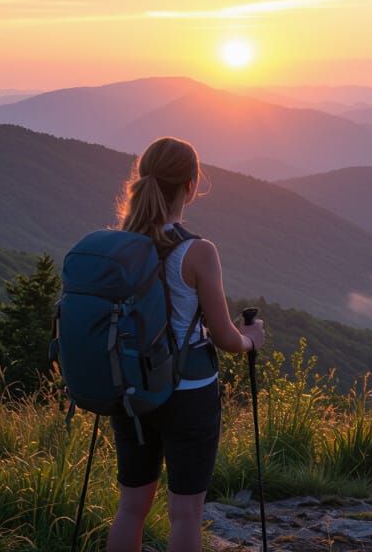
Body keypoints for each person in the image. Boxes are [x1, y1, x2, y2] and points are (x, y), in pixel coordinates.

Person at [106, 136, 266, 552]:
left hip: (131, 389)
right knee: (185, 513)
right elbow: (225, 337)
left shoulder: (119, 245)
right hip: (188, 393)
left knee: (131, 507)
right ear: (191, 185)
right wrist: (252, 340)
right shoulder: (197, 251)